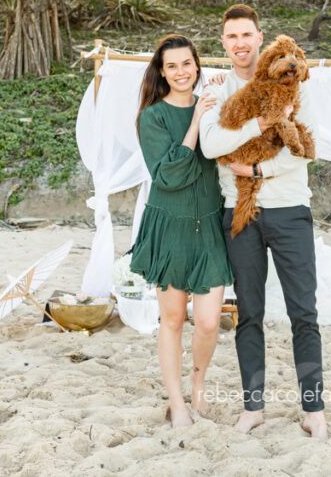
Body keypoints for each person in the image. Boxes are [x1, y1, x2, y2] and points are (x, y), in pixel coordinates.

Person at [199, 4, 328, 440]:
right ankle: (253, 407)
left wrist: (257, 171)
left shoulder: (294, 83)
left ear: (260, 38)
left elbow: (307, 148)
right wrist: (261, 122)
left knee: (303, 312)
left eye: (246, 35)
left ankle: (313, 409)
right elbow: (212, 144)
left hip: (290, 210)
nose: (240, 44)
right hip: (241, 215)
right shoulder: (216, 87)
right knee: (249, 313)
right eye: (231, 37)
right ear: (223, 43)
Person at [129, 34, 233, 428]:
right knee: (172, 320)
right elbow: (169, 175)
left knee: (207, 321)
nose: (180, 72)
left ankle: (198, 383)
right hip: (169, 226)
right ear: (162, 71)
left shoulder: (212, 103)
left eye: (186, 64)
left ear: (197, 65)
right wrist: (194, 122)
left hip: (208, 224)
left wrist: (220, 102)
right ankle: (177, 402)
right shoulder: (152, 117)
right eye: (171, 66)